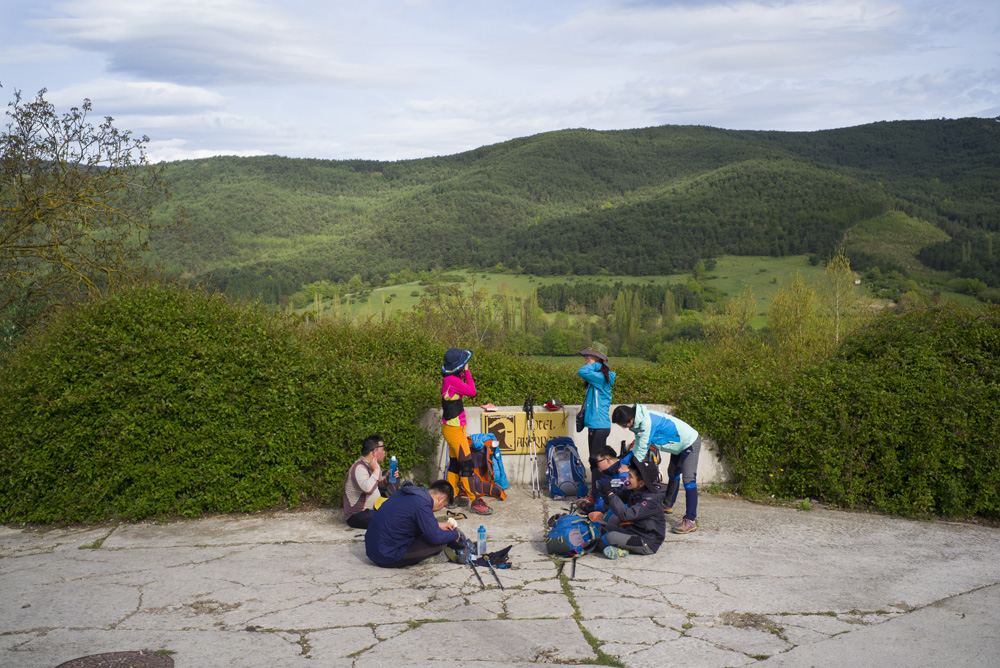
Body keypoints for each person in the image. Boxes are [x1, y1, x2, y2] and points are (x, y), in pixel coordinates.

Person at [612, 403, 702, 534]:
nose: (624, 427)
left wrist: (629, 468)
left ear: (630, 420)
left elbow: (642, 450)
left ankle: (690, 520)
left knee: (689, 481)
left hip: (689, 442)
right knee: (673, 474)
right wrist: (622, 462)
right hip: (678, 445)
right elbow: (637, 446)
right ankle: (667, 504)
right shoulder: (638, 422)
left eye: (623, 425)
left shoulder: (646, 423)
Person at [365, 480, 465, 568]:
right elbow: (435, 537)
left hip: (372, 549)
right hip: (386, 556)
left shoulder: (405, 492)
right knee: (440, 543)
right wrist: (454, 535)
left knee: (428, 532)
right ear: (441, 498)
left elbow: (407, 518)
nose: (440, 509)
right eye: (443, 506)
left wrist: (437, 524)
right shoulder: (422, 505)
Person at [440, 347, 492, 515]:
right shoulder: (451, 381)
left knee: (455, 463)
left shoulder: (450, 379)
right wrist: (468, 372)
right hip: (454, 430)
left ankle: (452, 496)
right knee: (467, 464)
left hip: (455, 428)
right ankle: (475, 500)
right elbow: (472, 391)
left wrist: (461, 372)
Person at [584, 457, 666, 558]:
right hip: (632, 532)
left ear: (641, 483)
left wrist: (610, 494)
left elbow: (625, 515)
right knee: (598, 526)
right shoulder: (633, 491)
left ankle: (615, 548)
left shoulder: (650, 501)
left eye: (630, 477)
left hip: (647, 541)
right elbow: (611, 503)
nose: (626, 479)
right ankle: (614, 548)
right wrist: (605, 491)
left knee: (611, 537)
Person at [577, 348, 616, 493]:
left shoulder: (601, 378)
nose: (586, 359)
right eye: (585, 357)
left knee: (597, 460)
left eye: (590, 357)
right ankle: (596, 491)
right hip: (595, 425)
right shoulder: (597, 378)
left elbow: (582, 371)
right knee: (594, 460)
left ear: (599, 360)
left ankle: (597, 493)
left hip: (600, 426)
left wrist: (599, 364)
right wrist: (597, 362)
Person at [343, 434, 401, 530]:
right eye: (383, 449)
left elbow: (376, 484)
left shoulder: (370, 465)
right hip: (358, 515)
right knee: (394, 519)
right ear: (374, 452)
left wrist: (387, 478)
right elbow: (368, 489)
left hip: (371, 510)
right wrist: (376, 470)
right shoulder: (359, 468)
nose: (384, 453)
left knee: (398, 514)